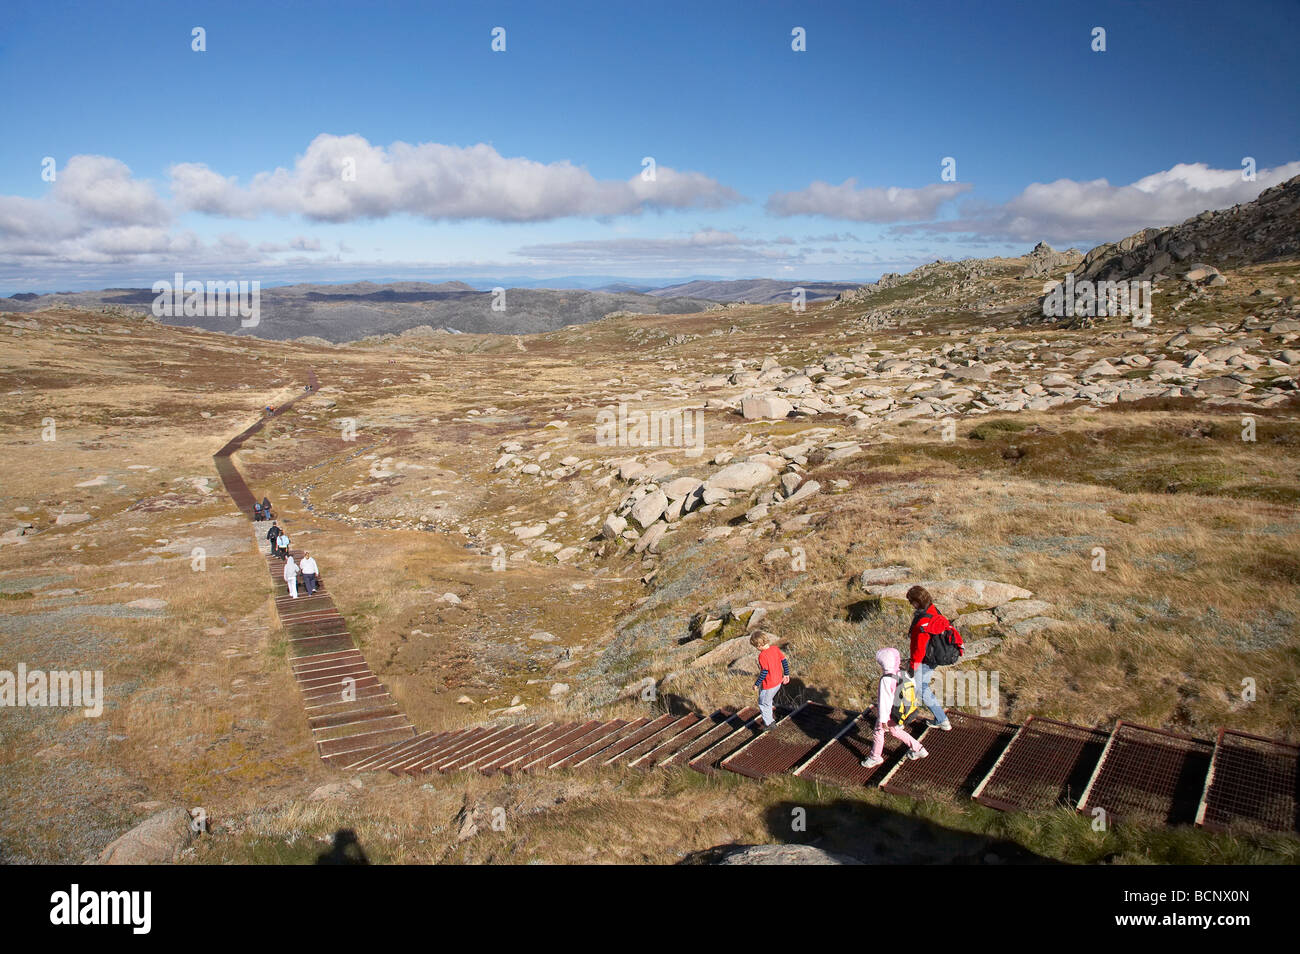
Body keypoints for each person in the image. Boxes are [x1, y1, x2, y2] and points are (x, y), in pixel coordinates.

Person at [905, 585, 962, 731]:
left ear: (917, 602)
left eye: (911, 601)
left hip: (925, 660)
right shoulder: (933, 610)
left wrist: (913, 666)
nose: (911, 604)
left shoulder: (924, 621)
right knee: (921, 686)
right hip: (934, 657)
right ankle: (940, 718)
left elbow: (919, 648)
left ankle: (942, 720)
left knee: (921, 688)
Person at [860, 647, 927, 768]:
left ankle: (875, 757)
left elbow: (885, 701)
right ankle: (918, 748)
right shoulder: (904, 673)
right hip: (901, 710)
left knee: (878, 731)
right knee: (895, 731)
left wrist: (883, 720)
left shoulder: (886, 679)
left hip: (891, 713)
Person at [750, 631, 789, 728]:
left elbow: (764, 671)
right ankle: (770, 720)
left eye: (756, 646)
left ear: (759, 645)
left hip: (769, 684)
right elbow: (784, 660)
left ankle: (769, 724)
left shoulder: (762, 656)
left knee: (762, 703)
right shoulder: (775, 649)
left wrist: (757, 684)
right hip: (778, 682)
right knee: (768, 701)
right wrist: (786, 674)